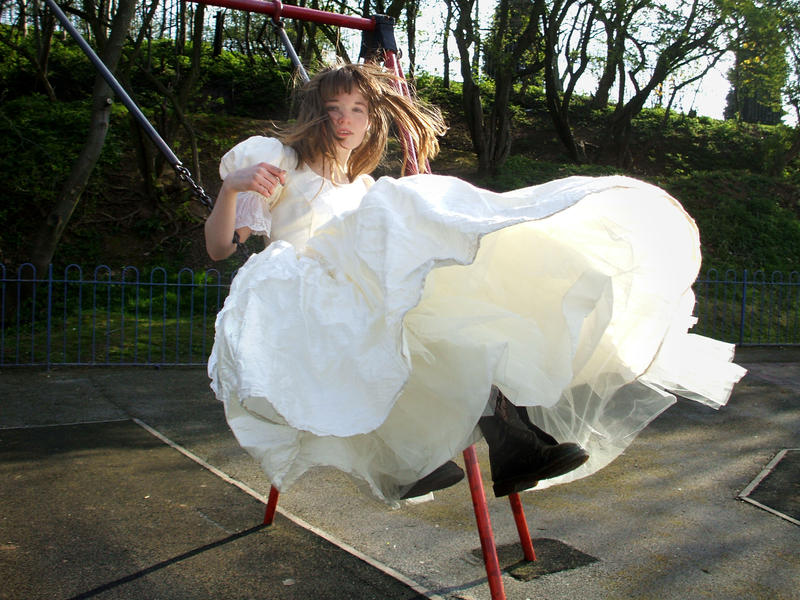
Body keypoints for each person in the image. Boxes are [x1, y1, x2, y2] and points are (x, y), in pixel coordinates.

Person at [205, 63, 745, 503]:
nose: (345, 122)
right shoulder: (278, 160)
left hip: (363, 286)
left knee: (464, 317)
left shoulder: (362, 184)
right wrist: (230, 189)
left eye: (358, 110)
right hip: (306, 288)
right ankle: (410, 464)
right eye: (333, 110)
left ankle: (513, 440)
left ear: (373, 121)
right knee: (407, 204)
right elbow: (222, 247)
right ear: (314, 115)